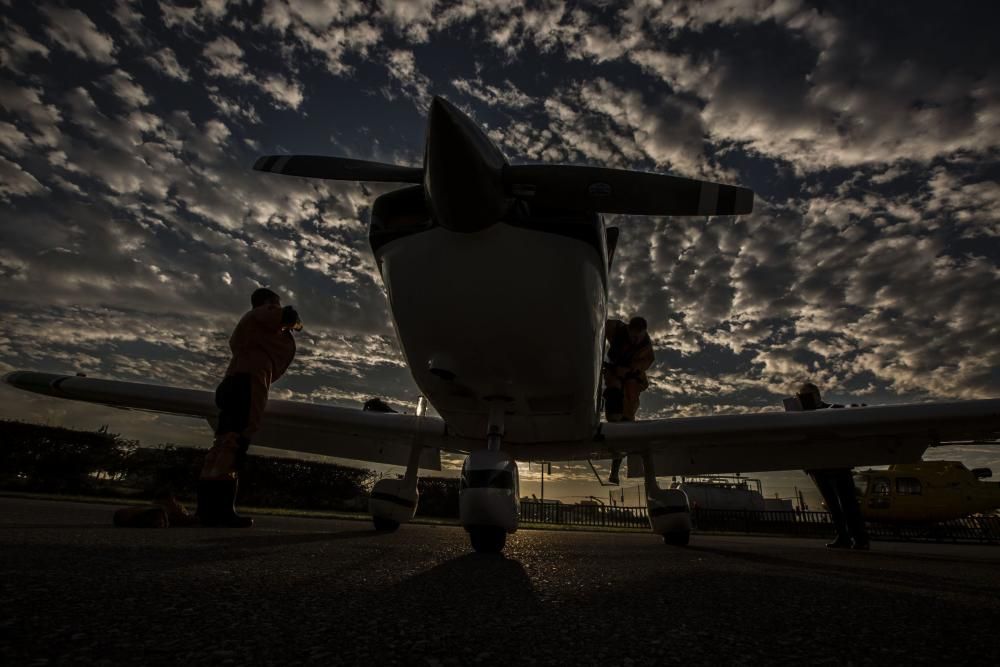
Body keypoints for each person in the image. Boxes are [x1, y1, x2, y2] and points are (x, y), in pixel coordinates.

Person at [197, 287, 301, 527]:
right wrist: (294, 323)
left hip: (232, 380)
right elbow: (288, 316)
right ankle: (221, 511)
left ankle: (206, 509)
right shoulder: (265, 311)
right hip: (249, 381)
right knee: (236, 441)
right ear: (269, 301)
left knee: (222, 441)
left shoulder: (248, 328)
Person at [795, 382, 870, 550]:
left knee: (848, 501)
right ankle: (843, 536)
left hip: (838, 464)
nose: (805, 399)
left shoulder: (835, 409)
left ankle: (860, 538)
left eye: (808, 395)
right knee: (831, 503)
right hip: (817, 466)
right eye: (802, 396)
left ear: (818, 395)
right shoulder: (798, 417)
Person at [603, 316, 655, 485]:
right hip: (613, 375)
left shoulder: (646, 348)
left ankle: (615, 470)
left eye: (638, 337)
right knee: (614, 412)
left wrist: (629, 370)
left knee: (625, 424)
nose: (634, 339)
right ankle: (613, 420)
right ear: (628, 329)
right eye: (632, 335)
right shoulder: (616, 328)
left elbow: (646, 362)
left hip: (631, 381)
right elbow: (596, 323)